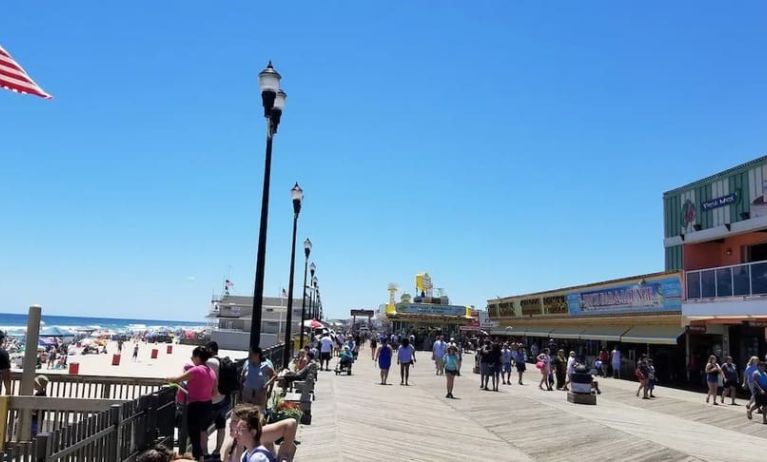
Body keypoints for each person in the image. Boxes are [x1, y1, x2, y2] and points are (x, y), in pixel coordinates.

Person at [166, 346, 216, 462]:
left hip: (195, 407)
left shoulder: (196, 370)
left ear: (197, 357)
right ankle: (201, 458)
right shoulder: (211, 372)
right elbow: (215, 392)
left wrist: (167, 378)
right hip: (207, 406)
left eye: (193, 357)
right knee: (201, 435)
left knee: (195, 439)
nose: (192, 359)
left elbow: (177, 379)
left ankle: (197, 459)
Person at [222, 404, 297, 462]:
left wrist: (283, 455)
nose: (230, 424)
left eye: (234, 421)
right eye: (230, 420)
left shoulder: (257, 435)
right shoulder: (232, 443)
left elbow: (290, 424)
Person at [204, 341, 229, 457]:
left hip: (211, 399)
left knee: (203, 426)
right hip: (223, 398)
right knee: (221, 425)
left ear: (210, 350)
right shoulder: (222, 361)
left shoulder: (209, 362)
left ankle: (204, 452)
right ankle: (217, 450)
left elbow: (208, 380)